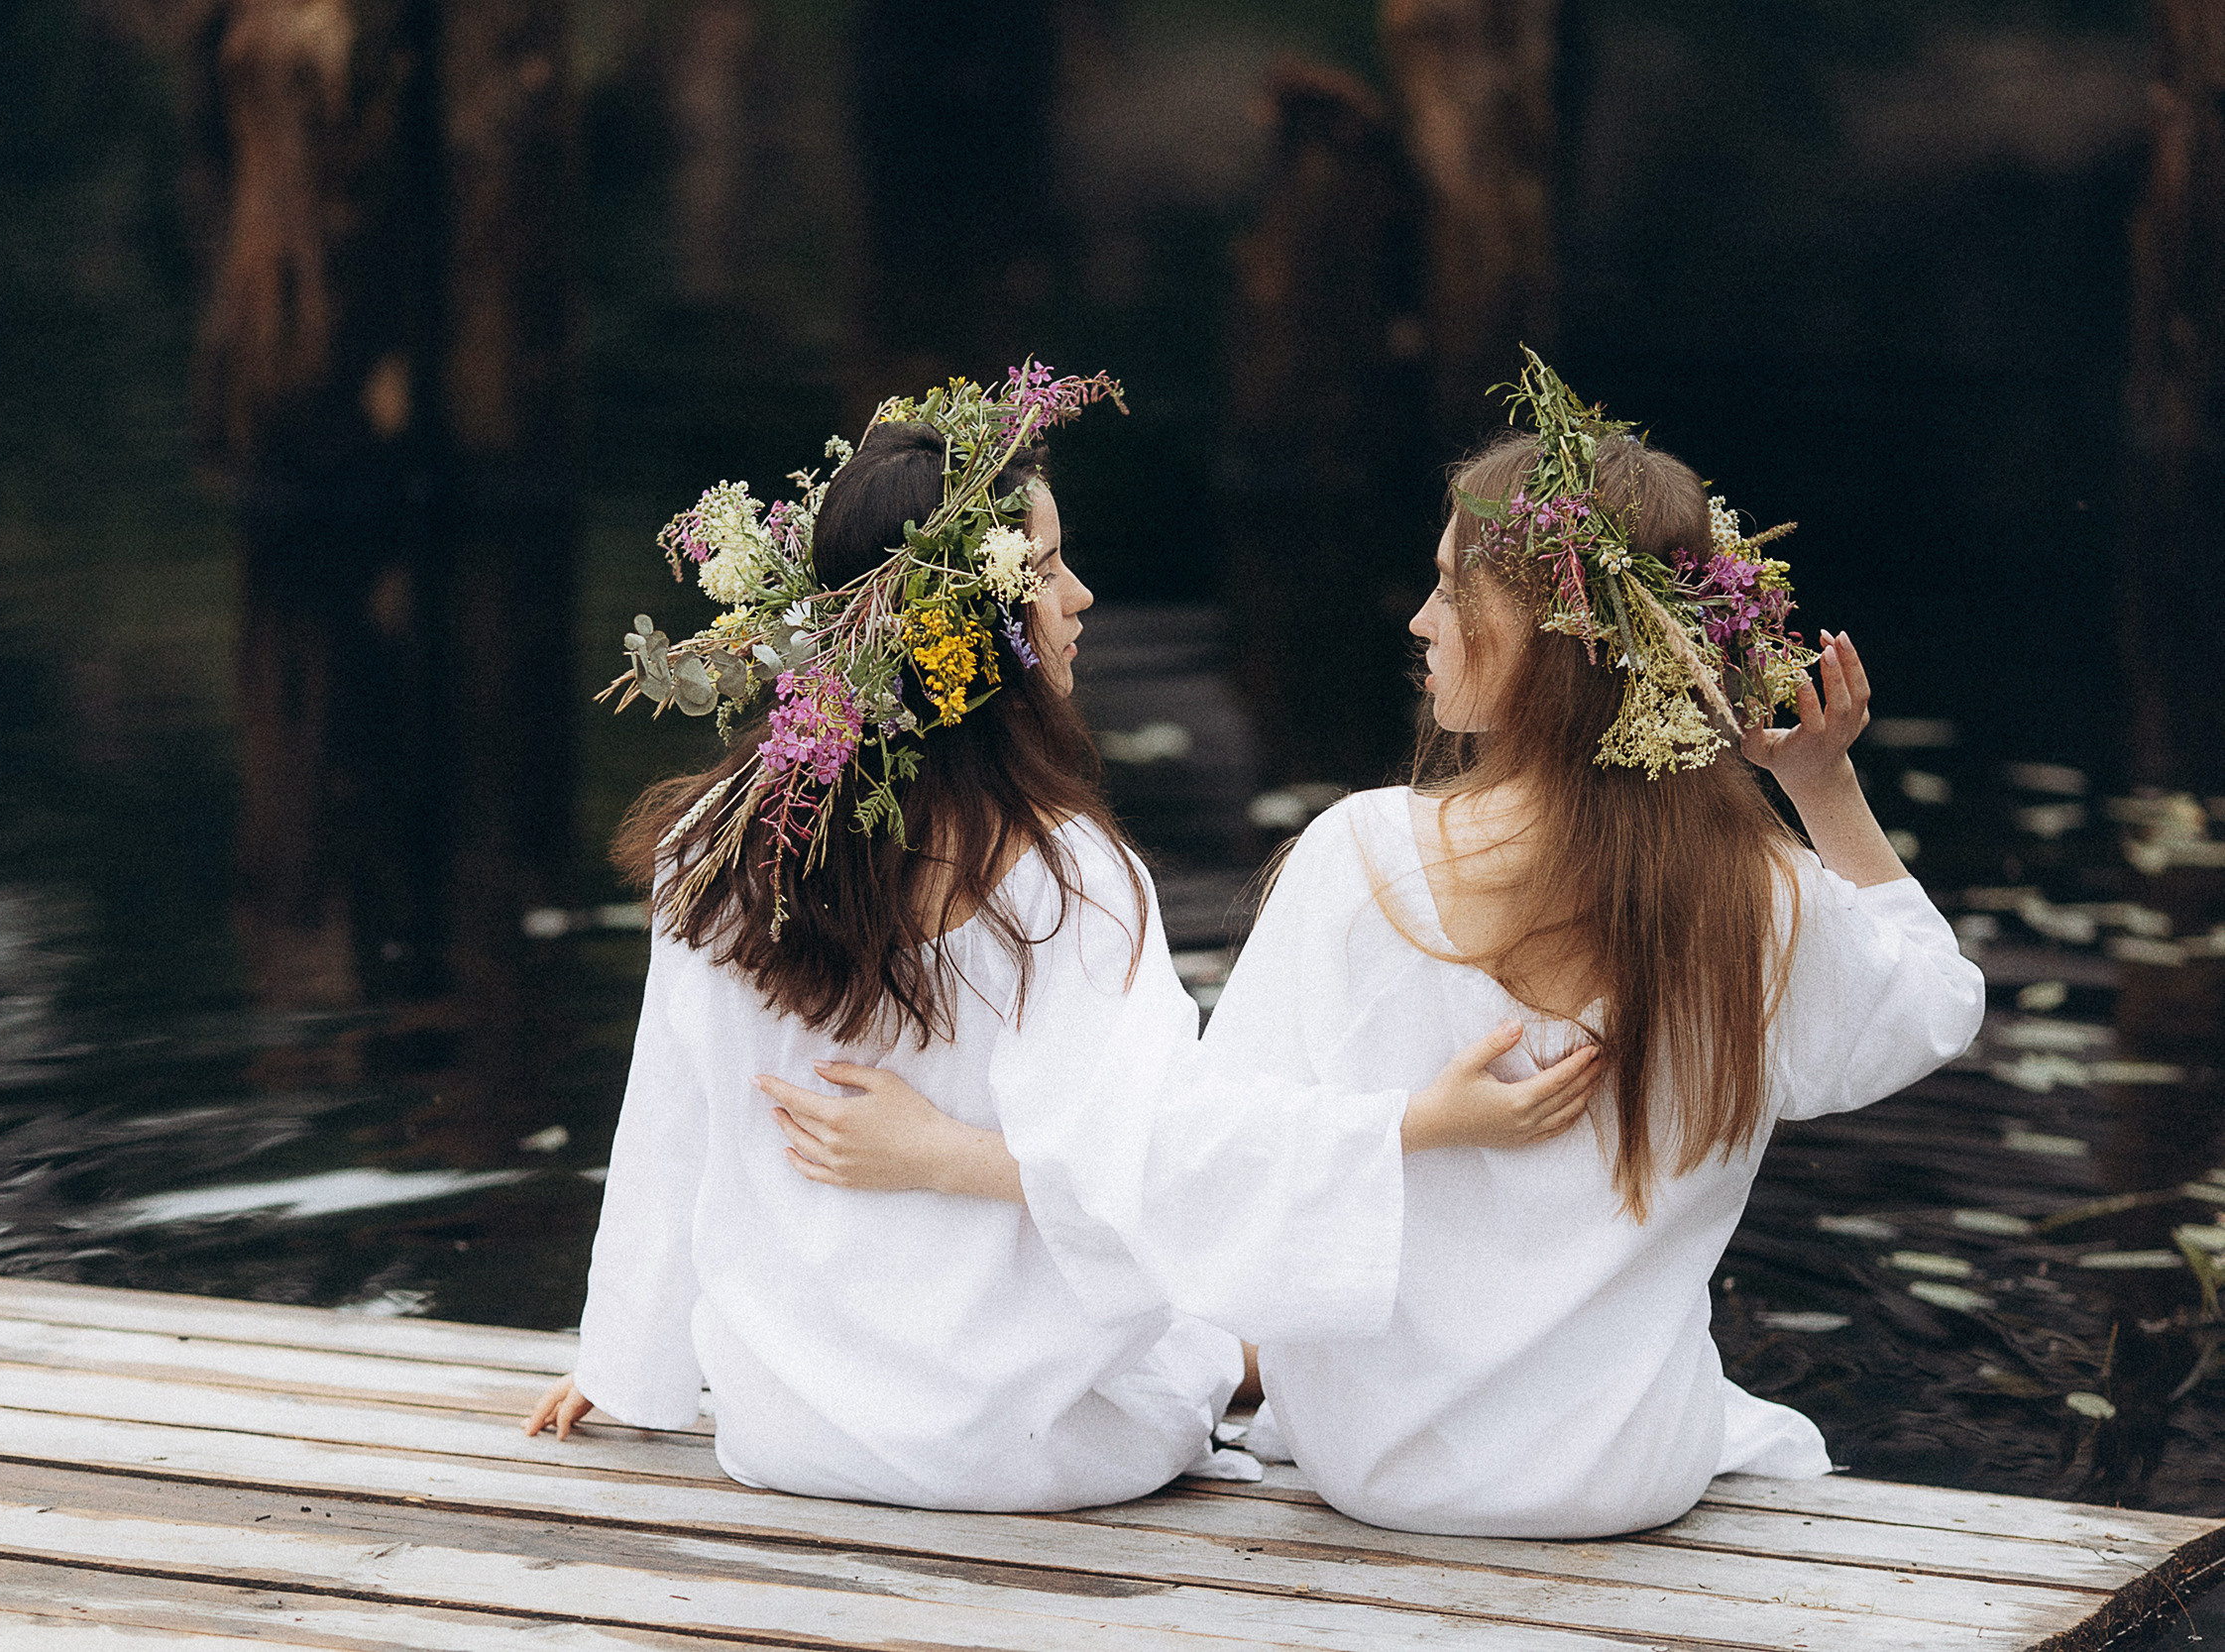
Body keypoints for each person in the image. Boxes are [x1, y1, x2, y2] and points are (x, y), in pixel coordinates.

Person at [757, 353, 1987, 1536]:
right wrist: (1822, 792)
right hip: (1621, 1471)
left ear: (1540, 641)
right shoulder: (1758, 890)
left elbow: (1196, 1167)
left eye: (1453, 589)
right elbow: (1933, 1008)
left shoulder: (1359, 857)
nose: (1420, 617)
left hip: (1380, 1467)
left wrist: (966, 1165)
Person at [523, 365, 1598, 1512]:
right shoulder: (1065, 880)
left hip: (795, 1423)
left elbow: (667, 1125)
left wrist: (623, 1366)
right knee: (1208, 1324)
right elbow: (1152, 1177)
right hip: (1021, 1447)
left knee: (1196, 1291)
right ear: (968, 625)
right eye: (1043, 570)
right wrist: (1415, 1124)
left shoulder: (722, 845)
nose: (1080, 595)